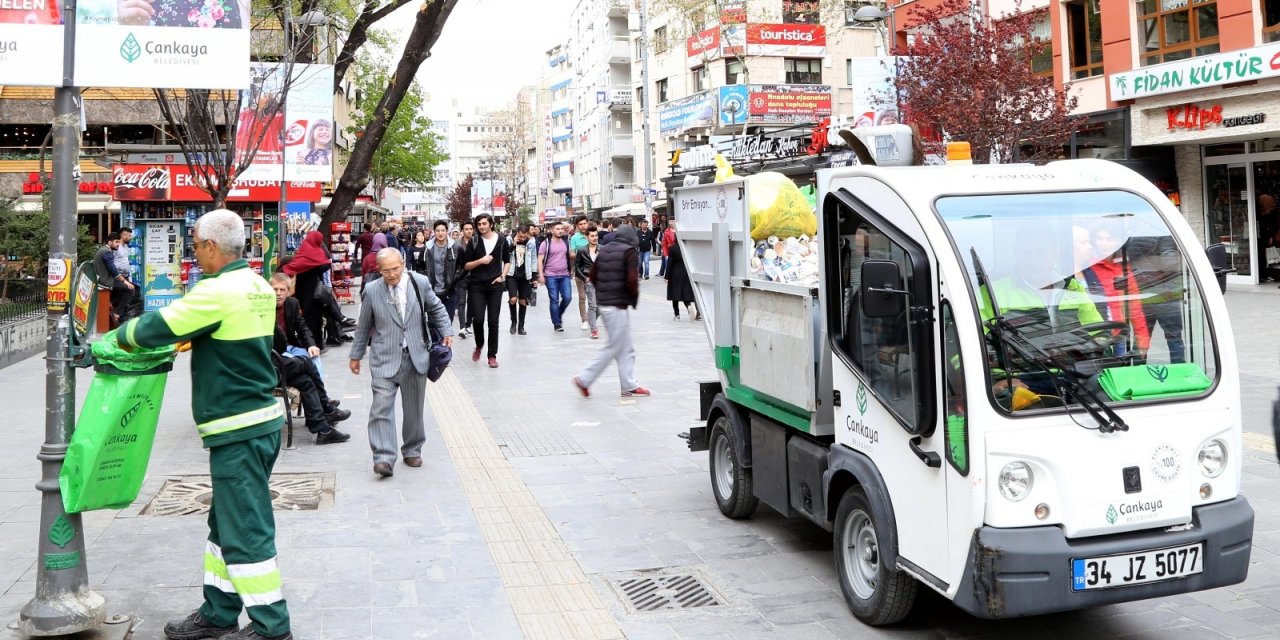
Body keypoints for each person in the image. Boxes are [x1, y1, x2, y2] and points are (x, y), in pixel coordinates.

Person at [116, 209, 292, 640]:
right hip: (259, 422)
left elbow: (158, 327)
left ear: (212, 247)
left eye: (195, 245)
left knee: (246, 529)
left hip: (239, 428)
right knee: (225, 525)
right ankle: (218, 611)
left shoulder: (219, 292)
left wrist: (110, 339)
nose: (194, 252)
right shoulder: (255, 285)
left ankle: (272, 626)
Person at [349, 248, 454, 478]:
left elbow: (436, 307)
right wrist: (356, 355)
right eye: (386, 271)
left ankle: (412, 449)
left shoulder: (420, 282)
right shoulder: (372, 290)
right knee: (380, 408)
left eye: (396, 268)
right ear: (379, 270)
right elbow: (364, 325)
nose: (392, 274)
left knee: (414, 409)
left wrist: (447, 330)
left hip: (415, 355)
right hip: (384, 357)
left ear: (403, 263)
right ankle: (383, 458)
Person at [268, 274, 351, 444]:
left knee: (306, 378)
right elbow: (275, 343)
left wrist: (311, 344)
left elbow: (302, 327)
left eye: (282, 290)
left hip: (283, 354)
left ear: (289, 291)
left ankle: (322, 428)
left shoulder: (292, 303)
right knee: (306, 363)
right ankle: (326, 408)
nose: (278, 293)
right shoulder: (262, 309)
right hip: (270, 362)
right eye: (274, 289)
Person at [572, 225, 650, 398]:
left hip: (605, 303)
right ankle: (584, 378)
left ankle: (629, 385)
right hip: (617, 305)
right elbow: (632, 280)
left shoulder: (605, 250)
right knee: (614, 346)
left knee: (626, 347)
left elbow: (592, 276)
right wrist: (633, 299)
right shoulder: (629, 252)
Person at [458, 213, 510, 368]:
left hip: (495, 285)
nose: (481, 227)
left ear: (491, 224)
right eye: (479, 224)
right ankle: (479, 344)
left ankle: (492, 355)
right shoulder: (474, 241)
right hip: (477, 285)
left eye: (484, 224)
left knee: (494, 321)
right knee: (478, 319)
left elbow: (507, 261)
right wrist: (481, 261)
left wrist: (503, 276)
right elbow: (466, 266)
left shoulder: (501, 240)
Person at [281, 231, 330, 349]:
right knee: (316, 317)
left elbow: (290, 267)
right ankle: (317, 343)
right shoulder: (320, 253)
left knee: (305, 317)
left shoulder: (303, 251)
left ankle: (308, 343)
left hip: (302, 290)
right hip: (316, 291)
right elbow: (326, 265)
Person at [421, 220, 460, 342]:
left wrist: (455, 282)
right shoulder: (428, 248)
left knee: (447, 323)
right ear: (434, 232)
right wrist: (425, 281)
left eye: (443, 230)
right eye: (437, 230)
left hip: (449, 291)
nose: (440, 233)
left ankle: (444, 351)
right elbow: (420, 267)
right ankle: (436, 351)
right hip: (432, 292)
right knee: (433, 324)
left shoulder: (455, 247)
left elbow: (461, 267)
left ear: (447, 231)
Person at [538, 221, 575, 332]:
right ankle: (557, 323)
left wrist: (572, 269)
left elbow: (570, 256)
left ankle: (558, 314)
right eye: (557, 229)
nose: (560, 231)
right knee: (554, 300)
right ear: (552, 230)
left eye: (561, 229)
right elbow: (540, 260)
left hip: (564, 275)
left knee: (568, 298)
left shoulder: (566, 241)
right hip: (550, 276)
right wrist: (541, 275)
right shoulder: (546, 243)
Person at [93, 232, 134, 327]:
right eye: (116, 242)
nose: (118, 244)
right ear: (110, 242)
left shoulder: (105, 250)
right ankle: (116, 312)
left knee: (121, 289)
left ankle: (112, 307)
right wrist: (124, 281)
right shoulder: (106, 252)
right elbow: (113, 269)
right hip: (104, 282)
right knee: (129, 288)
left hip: (104, 280)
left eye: (119, 242)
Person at [506, 225, 538, 336]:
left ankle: (521, 326)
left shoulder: (531, 243)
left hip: (525, 275)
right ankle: (513, 322)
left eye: (525, 236)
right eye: (520, 236)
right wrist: (513, 245)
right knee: (513, 299)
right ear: (517, 233)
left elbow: (534, 260)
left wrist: (534, 277)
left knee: (523, 301)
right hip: (511, 274)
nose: (522, 238)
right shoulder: (509, 240)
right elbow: (505, 255)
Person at [665, 228, 698, 321]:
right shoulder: (687, 247)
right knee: (684, 293)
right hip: (686, 272)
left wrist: (666, 276)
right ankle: (688, 306)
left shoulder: (673, 248)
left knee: (674, 295)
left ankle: (677, 315)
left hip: (675, 273)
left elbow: (670, 263)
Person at [113, 227, 143, 321]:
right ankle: (117, 313)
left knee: (134, 290)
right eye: (129, 236)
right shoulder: (116, 247)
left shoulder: (126, 247)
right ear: (124, 235)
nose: (130, 238)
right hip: (118, 276)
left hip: (125, 276)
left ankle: (122, 315)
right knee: (129, 290)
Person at [576, 226, 601, 339]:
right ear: (587, 237)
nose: (595, 238)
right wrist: (585, 278)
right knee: (593, 305)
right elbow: (577, 267)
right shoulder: (582, 250)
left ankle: (591, 320)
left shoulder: (603, 249)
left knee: (600, 307)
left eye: (596, 235)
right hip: (589, 280)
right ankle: (594, 330)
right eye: (592, 236)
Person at [569, 216, 591, 330]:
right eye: (580, 224)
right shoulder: (574, 238)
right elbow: (571, 253)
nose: (583, 226)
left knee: (594, 297)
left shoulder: (593, 235)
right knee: (582, 297)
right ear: (577, 226)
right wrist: (581, 254)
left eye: (584, 223)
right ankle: (584, 319)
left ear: (588, 223)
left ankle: (592, 317)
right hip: (580, 270)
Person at [455, 221, 475, 339]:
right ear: (462, 231)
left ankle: (468, 325)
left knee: (472, 302)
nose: (468, 231)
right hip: (461, 276)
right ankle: (462, 327)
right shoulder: (457, 244)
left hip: (475, 277)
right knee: (461, 302)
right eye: (466, 229)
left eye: (470, 229)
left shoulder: (477, 242)